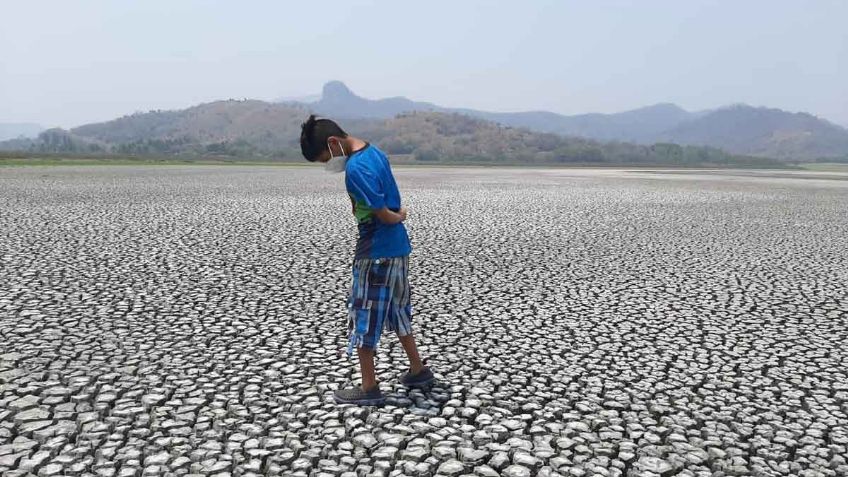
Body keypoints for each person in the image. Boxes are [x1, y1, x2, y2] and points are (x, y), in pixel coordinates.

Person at [299, 114, 434, 405]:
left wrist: (397, 216)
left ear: (334, 143)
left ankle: (369, 386)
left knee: (364, 316)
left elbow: (383, 213)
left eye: (325, 158)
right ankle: (418, 369)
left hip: (376, 254)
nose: (328, 164)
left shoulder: (356, 169)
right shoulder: (376, 153)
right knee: (398, 311)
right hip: (398, 249)